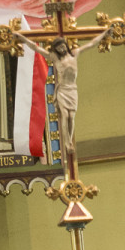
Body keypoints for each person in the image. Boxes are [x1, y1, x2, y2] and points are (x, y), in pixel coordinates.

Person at [14, 30, 110, 170]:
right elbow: (36, 48)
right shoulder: (55, 58)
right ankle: (68, 142)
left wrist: (104, 34)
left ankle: (69, 139)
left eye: (62, 46)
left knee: (72, 116)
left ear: (65, 45)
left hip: (72, 90)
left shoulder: (74, 53)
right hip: (63, 90)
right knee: (65, 115)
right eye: (58, 47)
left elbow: (91, 43)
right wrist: (22, 37)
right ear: (56, 49)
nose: (61, 48)